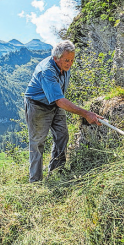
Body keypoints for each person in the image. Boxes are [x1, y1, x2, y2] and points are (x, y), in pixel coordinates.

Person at [24, 40, 103, 183]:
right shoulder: (47, 71)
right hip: (38, 106)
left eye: (72, 60)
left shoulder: (65, 66)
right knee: (37, 143)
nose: (70, 63)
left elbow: (58, 99)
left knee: (62, 135)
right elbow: (59, 100)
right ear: (56, 58)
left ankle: (56, 171)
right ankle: (35, 181)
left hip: (55, 103)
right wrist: (86, 113)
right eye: (67, 60)